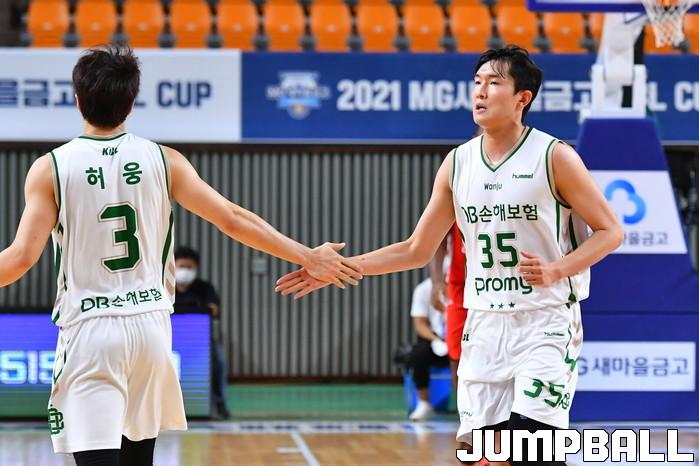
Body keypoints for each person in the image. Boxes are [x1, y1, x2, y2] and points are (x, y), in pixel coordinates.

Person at [0, 46, 361, 466]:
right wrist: (306, 255)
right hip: (151, 327)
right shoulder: (164, 159)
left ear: (77, 99)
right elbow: (231, 218)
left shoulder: (51, 168)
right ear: (131, 103)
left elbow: (21, 258)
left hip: (91, 328)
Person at [276, 45, 623, 465]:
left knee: (532, 448)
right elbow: (415, 249)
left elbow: (611, 231)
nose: (480, 91)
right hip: (484, 323)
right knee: (479, 455)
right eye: (477, 82)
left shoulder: (555, 157)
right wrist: (337, 268)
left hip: (544, 320)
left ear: (522, 98)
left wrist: (556, 269)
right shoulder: (457, 163)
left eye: (494, 83)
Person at [173, 246, 229, 420]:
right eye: (182, 266)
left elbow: (214, 309)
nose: (185, 271)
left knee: (218, 361)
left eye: (189, 267)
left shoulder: (204, 288)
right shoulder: (163, 286)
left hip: (199, 340)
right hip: (169, 340)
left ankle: (219, 403)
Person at [406, 277, 450, 421]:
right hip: (436, 338)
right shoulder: (423, 289)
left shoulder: (466, 285)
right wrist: (436, 339)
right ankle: (424, 403)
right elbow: (420, 324)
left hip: (461, 337)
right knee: (418, 355)